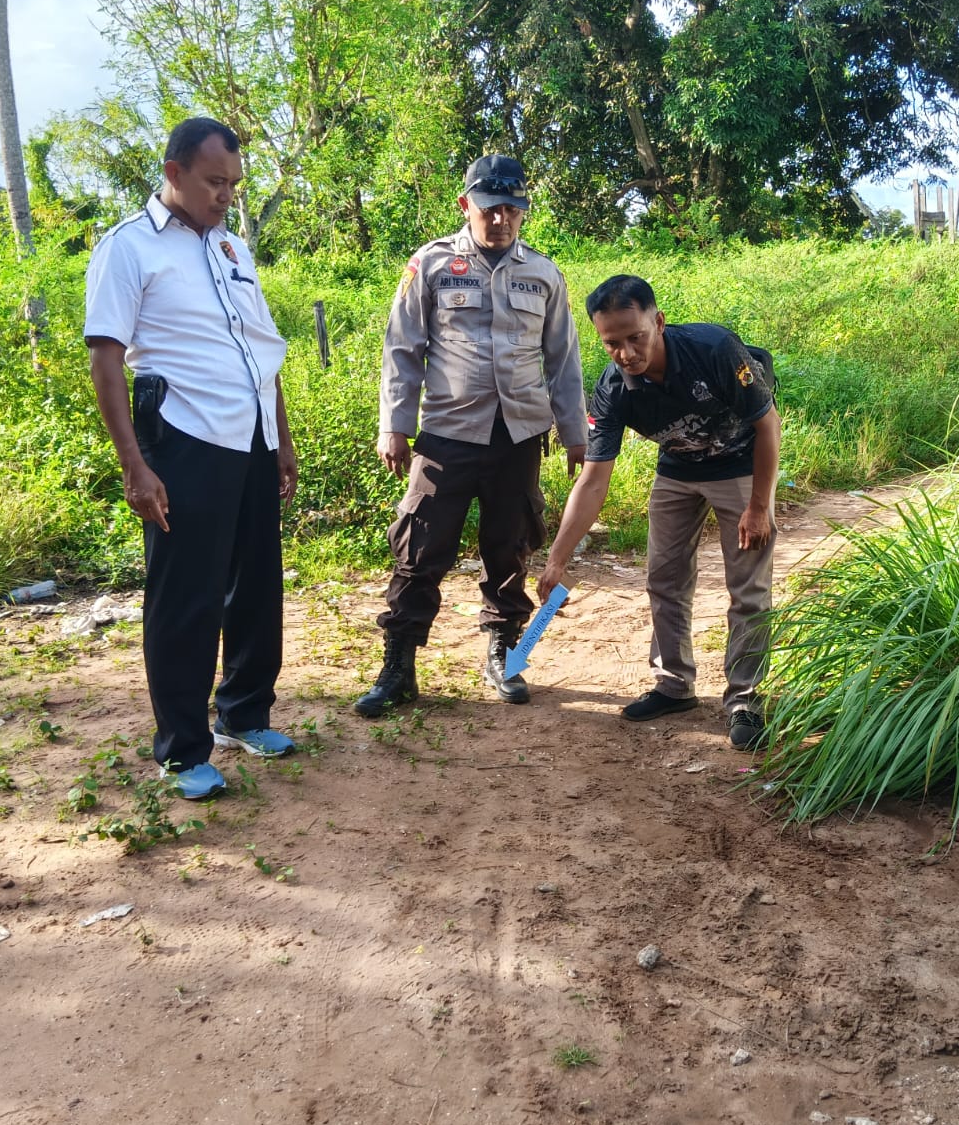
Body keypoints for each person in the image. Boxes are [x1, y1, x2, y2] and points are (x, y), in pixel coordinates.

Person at [84, 116, 298, 800]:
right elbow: (106, 359)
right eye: (214, 182)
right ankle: (181, 750)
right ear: (173, 173)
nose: (225, 195)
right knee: (187, 599)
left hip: (252, 439)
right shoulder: (128, 249)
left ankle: (243, 714)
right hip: (184, 441)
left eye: (234, 184)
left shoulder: (234, 250)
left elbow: (261, 351)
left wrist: (282, 438)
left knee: (256, 587)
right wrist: (133, 465)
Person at [354, 154, 587, 718]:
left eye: (513, 209)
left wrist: (574, 431)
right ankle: (399, 665)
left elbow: (562, 360)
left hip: (519, 438)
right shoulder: (431, 265)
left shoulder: (544, 273)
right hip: (446, 435)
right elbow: (402, 350)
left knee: (509, 548)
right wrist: (395, 425)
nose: (502, 219)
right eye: (491, 208)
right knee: (419, 547)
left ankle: (504, 656)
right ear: (467, 206)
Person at [536, 275, 780, 751]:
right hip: (677, 470)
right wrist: (557, 559)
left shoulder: (714, 349)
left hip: (740, 467)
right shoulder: (613, 388)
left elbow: (768, 426)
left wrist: (759, 506)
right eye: (612, 343)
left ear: (659, 321)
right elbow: (593, 478)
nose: (626, 352)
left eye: (636, 337)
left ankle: (745, 700)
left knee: (747, 587)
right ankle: (674, 684)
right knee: (663, 579)